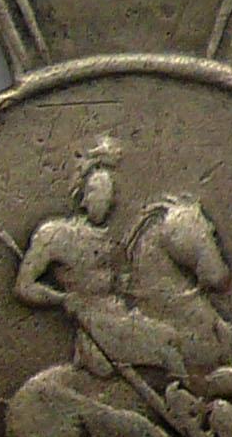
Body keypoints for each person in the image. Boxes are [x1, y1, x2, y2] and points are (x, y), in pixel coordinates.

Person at [13, 138, 187, 384]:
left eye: (109, 192)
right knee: (167, 350)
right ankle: (185, 401)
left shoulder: (109, 242)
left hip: (122, 317)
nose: (106, 200)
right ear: (83, 195)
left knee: (173, 337)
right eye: (97, 191)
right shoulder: (55, 235)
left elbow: (120, 287)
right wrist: (61, 299)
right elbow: (23, 287)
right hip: (94, 329)